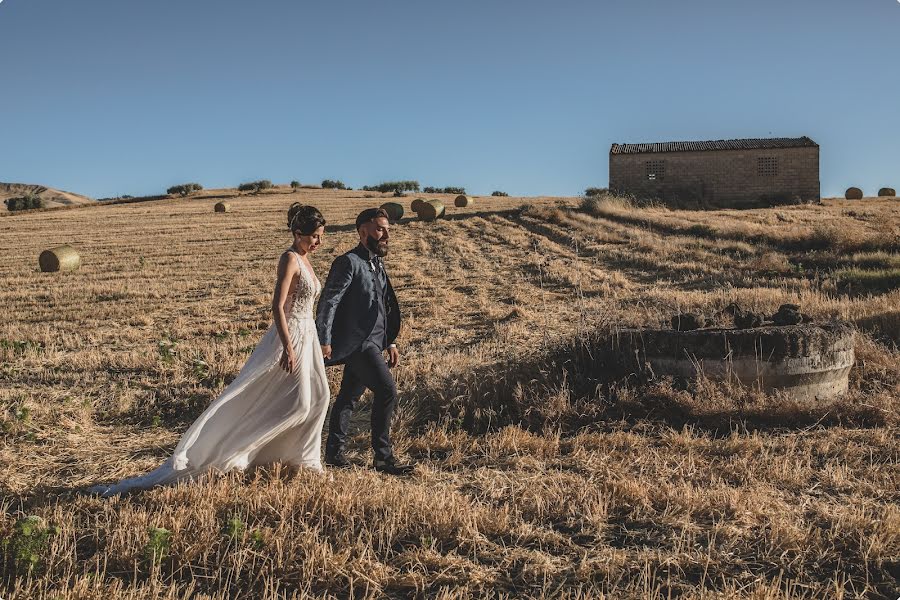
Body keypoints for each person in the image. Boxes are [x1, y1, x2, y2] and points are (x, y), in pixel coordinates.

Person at [87, 204, 330, 496]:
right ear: (297, 233)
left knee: (321, 397)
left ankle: (303, 460)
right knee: (300, 403)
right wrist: (287, 346)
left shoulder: (307, 260)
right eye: (314, 236)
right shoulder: (289, 258)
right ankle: (240, 453)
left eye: (320, 236)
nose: (319, 242)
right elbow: (277, 306)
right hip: (291, 336)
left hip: (309, 335)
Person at [316, 208, 414, 475]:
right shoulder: (348, 262)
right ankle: (383, 458)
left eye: (388, 229)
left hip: (375, 342)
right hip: (359, 344)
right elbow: (329, 302)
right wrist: (324, 339)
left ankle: (334, 454)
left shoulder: (376, 262)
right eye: (380, 229)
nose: (386, 235)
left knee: (347, 397)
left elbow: (384, 306)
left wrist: (390, 341)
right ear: (362, 232)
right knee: (387, 392)